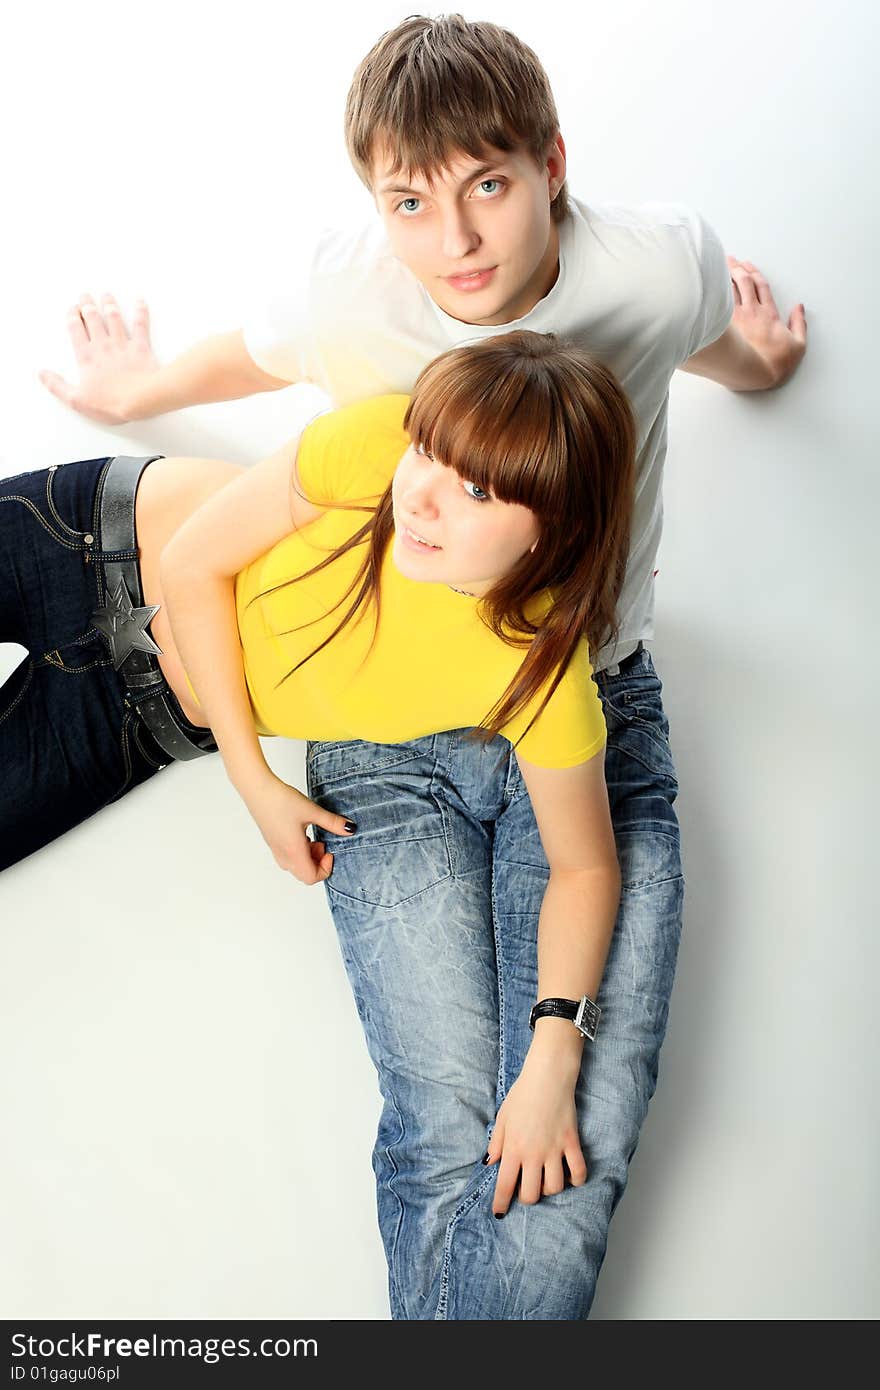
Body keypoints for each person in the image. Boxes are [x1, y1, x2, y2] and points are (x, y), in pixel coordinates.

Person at [32, 14, 807, 1319]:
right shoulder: (350, 296)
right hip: (390, 742)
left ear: (554, 163)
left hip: (584, 699)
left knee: (561, 1174)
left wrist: (759, 359)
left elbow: (694, 329)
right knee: (444, 1131)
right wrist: (139, 387)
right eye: (410, 202)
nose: (456, 245)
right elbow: (257, 351)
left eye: (489, 187)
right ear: (376, 205)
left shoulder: (656, 262)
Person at [4, 330, 632, 1314]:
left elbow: (584, 867)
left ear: (553, 532)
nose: (419, 492)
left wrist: (554, 1049)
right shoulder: (377, 446)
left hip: (139, 715)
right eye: (431, 453)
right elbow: (200, 561)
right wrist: (255, 782)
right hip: (94, 536)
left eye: (477, 492)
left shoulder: (535, 673)